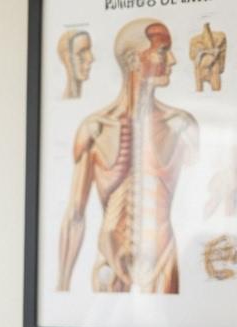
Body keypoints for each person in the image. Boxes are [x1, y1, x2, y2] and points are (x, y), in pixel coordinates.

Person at [57, 18, 197, 294]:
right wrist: (61, 288)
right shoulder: (95, 128)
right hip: (109, 262)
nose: (173, 60)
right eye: (163, 51)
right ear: (135, 60)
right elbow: (75, 213)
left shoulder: (180, 125)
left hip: (162, 261)